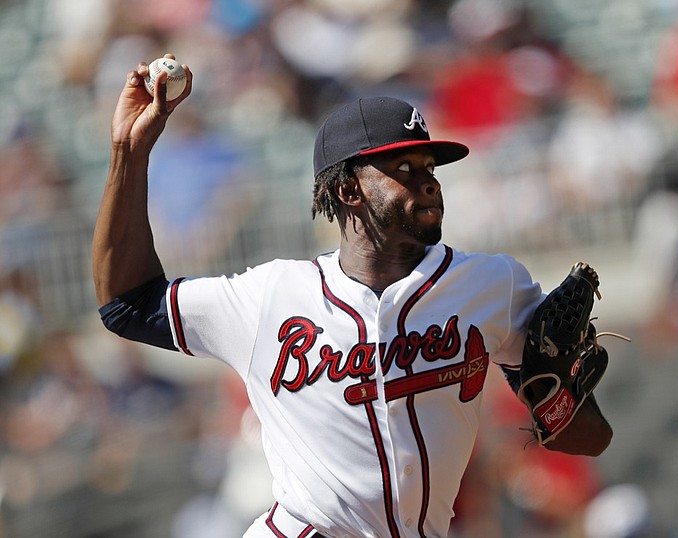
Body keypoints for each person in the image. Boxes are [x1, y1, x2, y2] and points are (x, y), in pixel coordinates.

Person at [91, 54, 612, 538]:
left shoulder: (492, 285)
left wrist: (554, 392)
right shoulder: (269, 297)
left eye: (429, 167)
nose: (428, 182)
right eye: (404, 169)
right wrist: (128, 152)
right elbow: (127, 303)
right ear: (348, 190)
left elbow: (589, 440)